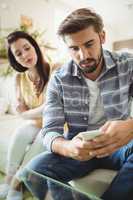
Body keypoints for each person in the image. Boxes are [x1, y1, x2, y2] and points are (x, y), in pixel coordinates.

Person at [19, 8, 133, 200]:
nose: (83, 55)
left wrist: (130, 126)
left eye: (89, 44)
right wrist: (68, 147)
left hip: (119, 144)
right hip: (79, 149)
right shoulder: (59, 79)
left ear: (102, 36)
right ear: (67, 47)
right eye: (74, 48)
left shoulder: (127, 64)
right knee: (32, 172)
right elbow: (49, 131)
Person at [0, 31, 50, 200]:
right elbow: (18, 109)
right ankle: (8, 180)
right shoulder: (19, 78)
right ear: (15, 59)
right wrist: (26, 114)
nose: (25, 55)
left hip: (54, 124)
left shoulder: (54, 68)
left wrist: (26, 113)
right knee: (20, 133)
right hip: (35, 123)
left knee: (41, 141)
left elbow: (49, 108)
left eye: (27, 48)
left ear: (34, 47)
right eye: (18, 53)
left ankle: (16, 183)